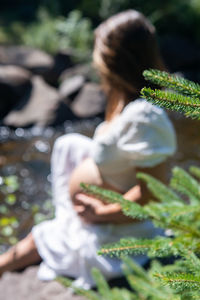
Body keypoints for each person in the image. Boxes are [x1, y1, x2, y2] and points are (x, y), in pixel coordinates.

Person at [0, 10, 176, 288]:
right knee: (39, 237)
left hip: (117, 233)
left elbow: (151, 194)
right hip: (101, 218)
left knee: (41, 238)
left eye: (97, 50)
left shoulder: (145, 116)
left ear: (112, 56)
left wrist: (100, 213)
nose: (94, 59)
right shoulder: (122, 100)